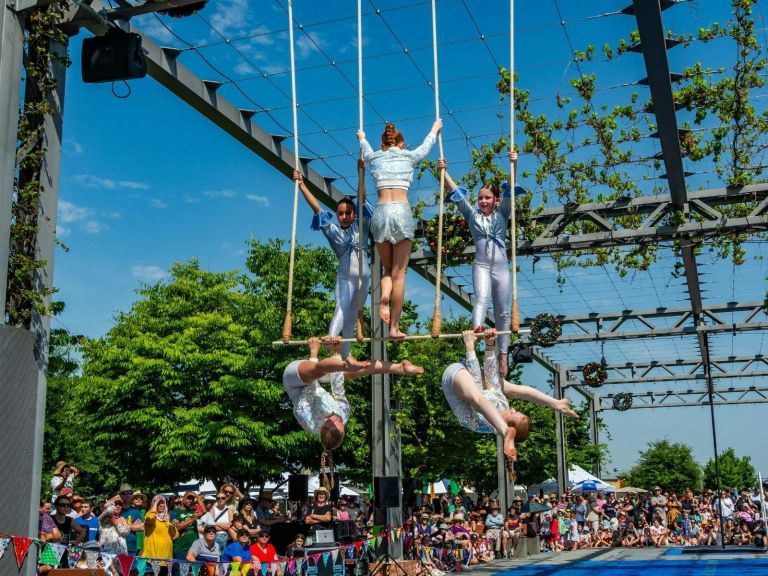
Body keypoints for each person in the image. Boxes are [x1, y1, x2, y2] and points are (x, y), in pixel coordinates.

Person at [357, 119, 443, 338]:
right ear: (401, 143)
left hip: (381, 211)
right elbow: (425, 147)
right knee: (399, 275)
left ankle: (384, 298)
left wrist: (362, 138)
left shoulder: (374, 157)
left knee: (387, 270)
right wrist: (434, 129)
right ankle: (394, 327)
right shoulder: (408, 156)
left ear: (383, 144)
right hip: (401, 212)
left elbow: (365, 149)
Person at [439, 151, 521, 376]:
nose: (483, 201)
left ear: (495, 200)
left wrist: (514, 164)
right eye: (480, 198)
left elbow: (510, 189)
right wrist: (444, 173)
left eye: (487, 198)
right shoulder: (472, 216)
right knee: (482, 299)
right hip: (482, 266)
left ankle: (503, 355)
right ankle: (477, 330)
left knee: (502, 312)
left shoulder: (503, 214)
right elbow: (455, 193)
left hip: (501, 267)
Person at [441, 329, 578, 464]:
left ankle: (506, 432)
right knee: (508, 388)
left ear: (508, 423)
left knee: (478, 397)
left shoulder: (483, 423)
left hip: (455, 379)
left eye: (514, 414)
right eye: (516, 411)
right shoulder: (504, 406)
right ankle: (556, 404)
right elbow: (491, 379)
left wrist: (470, 347)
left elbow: (476, 389)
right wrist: (490, 345)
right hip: (472, 375)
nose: (513, 409)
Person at [283, 336, 423, 452]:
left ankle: (346, 364)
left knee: (317, 371)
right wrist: (337, 352)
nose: (337, 418)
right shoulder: (343, 414)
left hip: (296, 382)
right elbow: (338, 387)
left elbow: (311, 387)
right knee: (356, 370)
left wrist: (313, 352)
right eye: (340, 422)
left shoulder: (309, 421)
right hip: (318, 377)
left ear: (323, 428)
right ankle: (400, 368)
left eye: (334, 422)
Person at [295, 162, 372, 363]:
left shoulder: (361, 226)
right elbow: (318, 209)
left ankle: (345, 352)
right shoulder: (333, 231)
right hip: (346, 277)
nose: (344, 216)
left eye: (348, 213)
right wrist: (302, 185)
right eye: (340, 213)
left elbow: (362, 198)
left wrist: (361, 173)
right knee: (342, 307)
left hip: (365, 279)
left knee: (352, 313)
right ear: (336, 215)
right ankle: (331, 337)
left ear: (354, 214)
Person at [142, 495, 177, 566]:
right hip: (152, 557)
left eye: (162, 503)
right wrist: (156, 502)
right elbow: (150, 518)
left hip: (166, 557)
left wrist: (173, 527)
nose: (161, 505)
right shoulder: (149, 515)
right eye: (158, 503)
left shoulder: (168, 517)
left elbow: (174, 535)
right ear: (154, 504)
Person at [172, 492, 203, 563]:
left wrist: (197, 497)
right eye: (188, 498)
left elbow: (203, 510)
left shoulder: (193, 511)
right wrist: (192, 519)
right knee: (180, 572)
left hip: (194, 549)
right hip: (180, 549)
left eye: (192, 499)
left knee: (193, 573)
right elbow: (178, 527)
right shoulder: (175, 512)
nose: (190, 501)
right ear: (183, 499)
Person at [121, 490, 147, 556]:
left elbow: (142, 527)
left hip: (139, 542)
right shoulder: (120, 509)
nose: (139, 500)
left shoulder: (144, 511)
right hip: (128, 543)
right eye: (136, 498)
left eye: (141, 499)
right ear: (132, 500)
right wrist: (133, 526)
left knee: (138, 564)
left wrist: (125, 525)